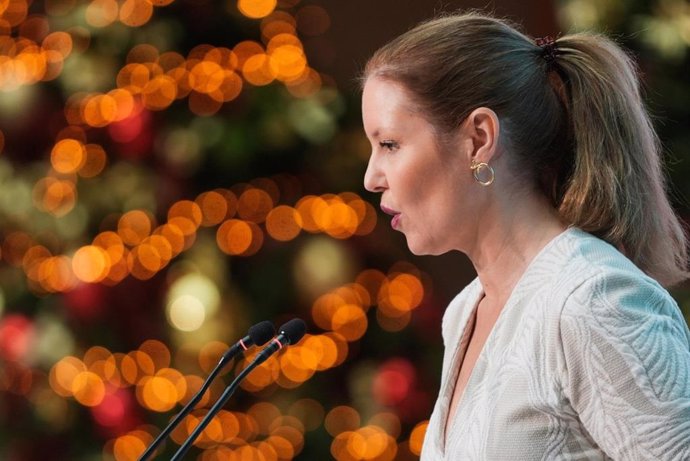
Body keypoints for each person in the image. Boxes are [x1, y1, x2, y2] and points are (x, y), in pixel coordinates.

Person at [360, 11, 690, 460]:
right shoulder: (464, 312)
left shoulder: (593, 301)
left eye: (390, 145)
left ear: (478, 138)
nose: (371, 177)